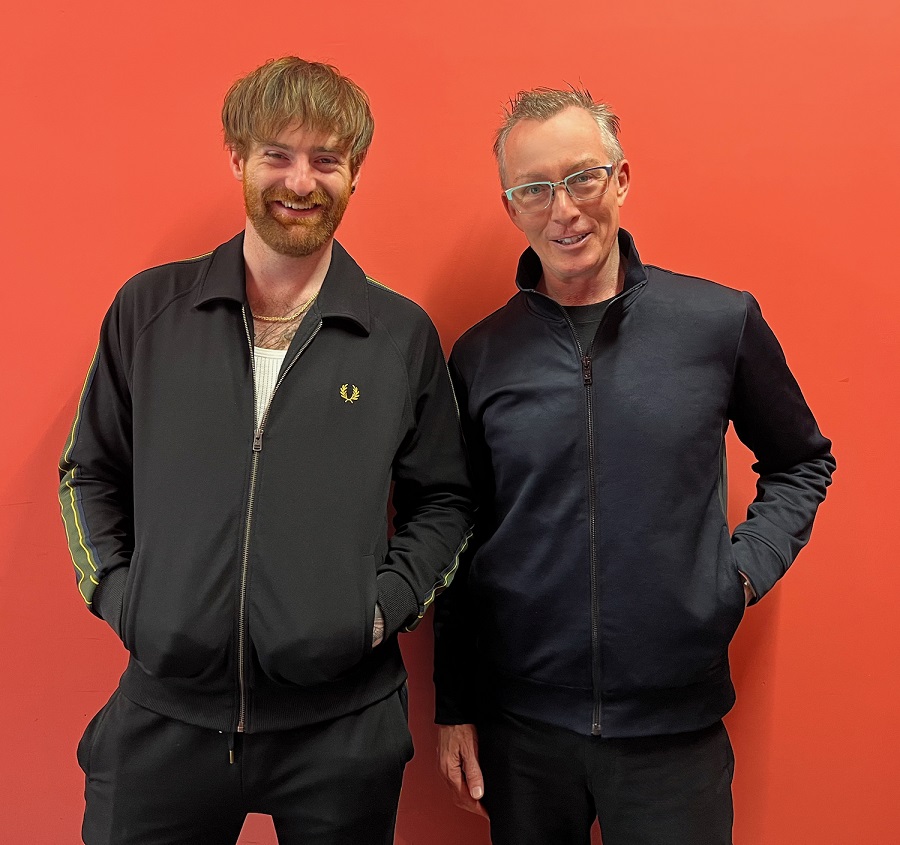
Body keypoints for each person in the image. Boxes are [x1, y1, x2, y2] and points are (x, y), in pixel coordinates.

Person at [59, 56, 472, 845]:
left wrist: (380, 610)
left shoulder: (399, 336)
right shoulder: (149, 312)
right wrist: (121, 594)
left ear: (356, 172)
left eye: (327, 159)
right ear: (237, 158)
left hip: (341, 727)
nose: (301, 181)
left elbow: (445, 499)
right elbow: (88, 470)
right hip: (165, 715)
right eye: (277, 154)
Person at [434, 87, 835, 845]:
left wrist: (738, 574)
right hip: (524, 736)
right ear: (511, 206)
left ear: (620, 178)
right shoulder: (480, 354)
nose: (564, 210)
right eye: (534, 189)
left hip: (674, 733)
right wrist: (454, 703)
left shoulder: (718, 322)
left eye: (582, 177)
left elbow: (800, 461)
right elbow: (459, 531)